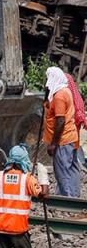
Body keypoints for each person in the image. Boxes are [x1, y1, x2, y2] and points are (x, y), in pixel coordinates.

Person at [42, 66, 81, 197]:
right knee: (72, 169)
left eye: (47, 78)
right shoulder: (65, 91)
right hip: (71, 137)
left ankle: (66, 199)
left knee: (62, 171)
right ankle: (74, 197)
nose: (46, 81)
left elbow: (60, 121)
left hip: (63, 140)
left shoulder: (59, 96)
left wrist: (53, 143)